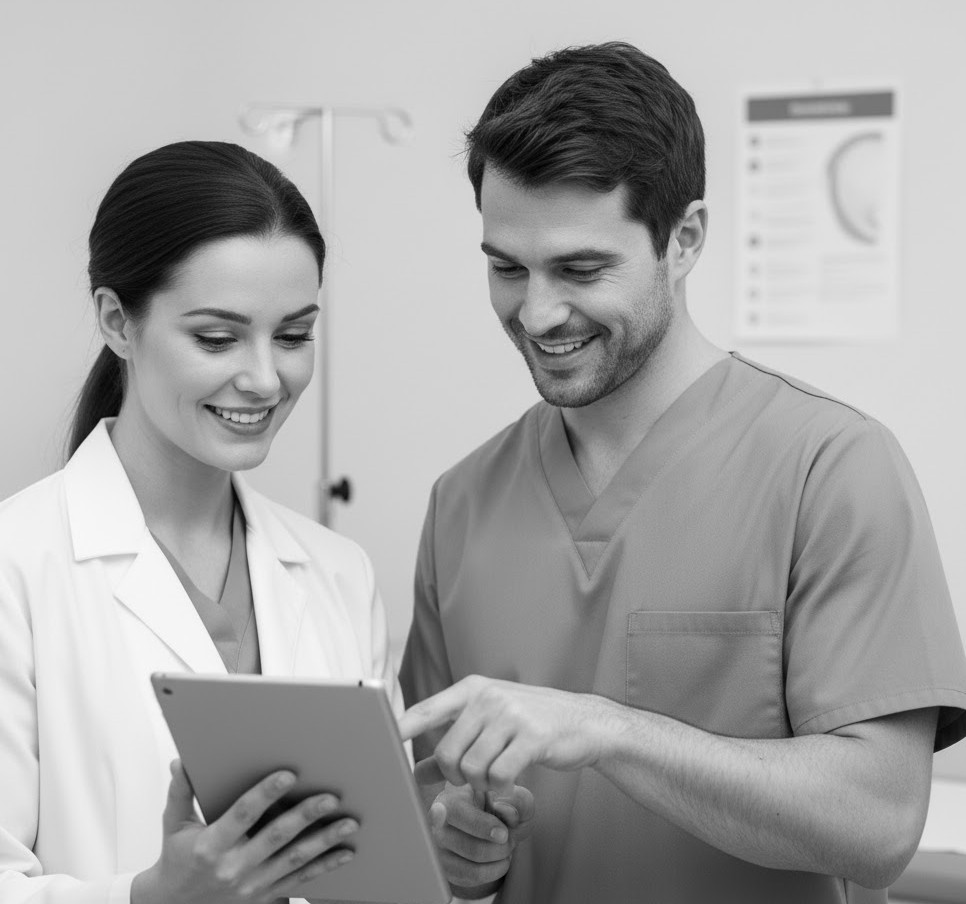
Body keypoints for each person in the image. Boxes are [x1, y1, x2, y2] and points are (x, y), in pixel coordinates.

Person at [398, 42, 966, 904]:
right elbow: (432, 793)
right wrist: (453, 847)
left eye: (582, 269)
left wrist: (607, 731)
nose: (539, 312)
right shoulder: (462, 503)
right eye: (507, 268)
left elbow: (880, 825)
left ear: (685, 239)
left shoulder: (830, 468)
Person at [0, 141, 400, 904]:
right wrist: (152, 897)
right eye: (216, 338)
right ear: (118, 321)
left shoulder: (338, 573)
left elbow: (377, 869)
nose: (263, 378)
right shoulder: (17, 568)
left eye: (292, 336)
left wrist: (446, 846)